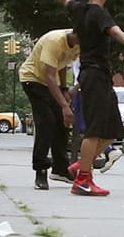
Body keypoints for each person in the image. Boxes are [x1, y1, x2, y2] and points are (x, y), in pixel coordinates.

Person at [43, 0, 124, 196]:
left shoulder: (79, 9)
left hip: (96, 75)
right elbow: (116, 31)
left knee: (112, 128)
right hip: (94, 75)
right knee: (93, 131)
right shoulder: (99, 13)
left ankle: (82, 165)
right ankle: (82, 179)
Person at [19, 29, 80, 190]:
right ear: (78, 34)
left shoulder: (76, 45)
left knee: (61, 123)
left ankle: (60, 169)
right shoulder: (54, 41)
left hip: (49, 82)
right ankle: (40, 170)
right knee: (46, 122)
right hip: (32, 79)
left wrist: (64, 88)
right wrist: (65, 106)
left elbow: (62, 64)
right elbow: (49, 76)